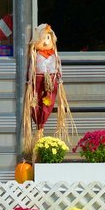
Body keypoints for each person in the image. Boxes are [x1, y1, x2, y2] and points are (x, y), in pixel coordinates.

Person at [22, 24, 75, 158]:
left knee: (48, 102)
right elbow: (31, 69)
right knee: (35, 103)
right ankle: (38, 128)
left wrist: (60, 80)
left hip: (51, 82)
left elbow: (59, 68)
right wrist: (29, 82)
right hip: (37, 82)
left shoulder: (55, 56)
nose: (46, 42)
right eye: (42, 38)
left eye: (48, 38)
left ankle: (41, 128)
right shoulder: (35, 55)